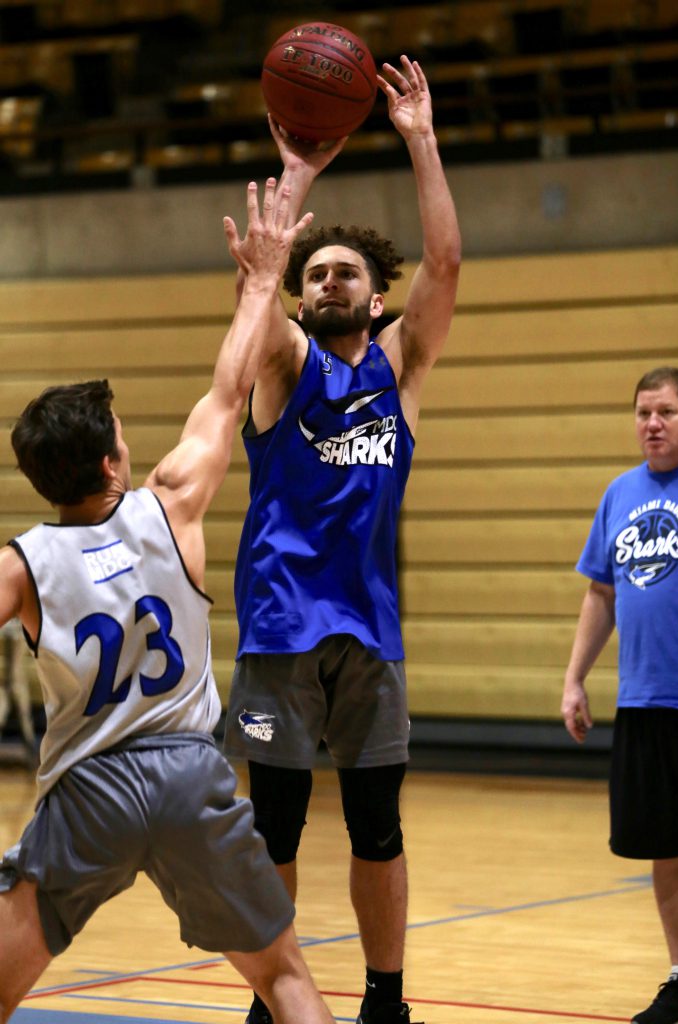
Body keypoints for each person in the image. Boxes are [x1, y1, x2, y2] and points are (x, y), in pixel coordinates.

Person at [0, 178, 337, 1024]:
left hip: (89, 790)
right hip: (192, 777)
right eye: (118, 433)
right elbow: (229, 390)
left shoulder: (22, 563)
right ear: (112, 464)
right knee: (286, 979)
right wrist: (263, 279)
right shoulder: (172, 502)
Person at [223, 56, 461, 1024]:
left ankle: (385, 999)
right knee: (273, 829)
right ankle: (275, 998)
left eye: (343, 272)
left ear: (373, 298)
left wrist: (420, 139)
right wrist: (298, 176)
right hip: (279, 628)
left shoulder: (398, 367)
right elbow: (263, 282)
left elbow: (444, 266)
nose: (323, 279)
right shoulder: (284, 361)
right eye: (313, 270)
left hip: (368, 631)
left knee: (377, 828)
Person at [562, 366, 678, 1024]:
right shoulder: (618, 494)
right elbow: (601, 592)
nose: (652, 424)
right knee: (666, 847)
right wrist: (574, 677)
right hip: (645, 702)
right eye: (642, 413)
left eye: (665, 411)